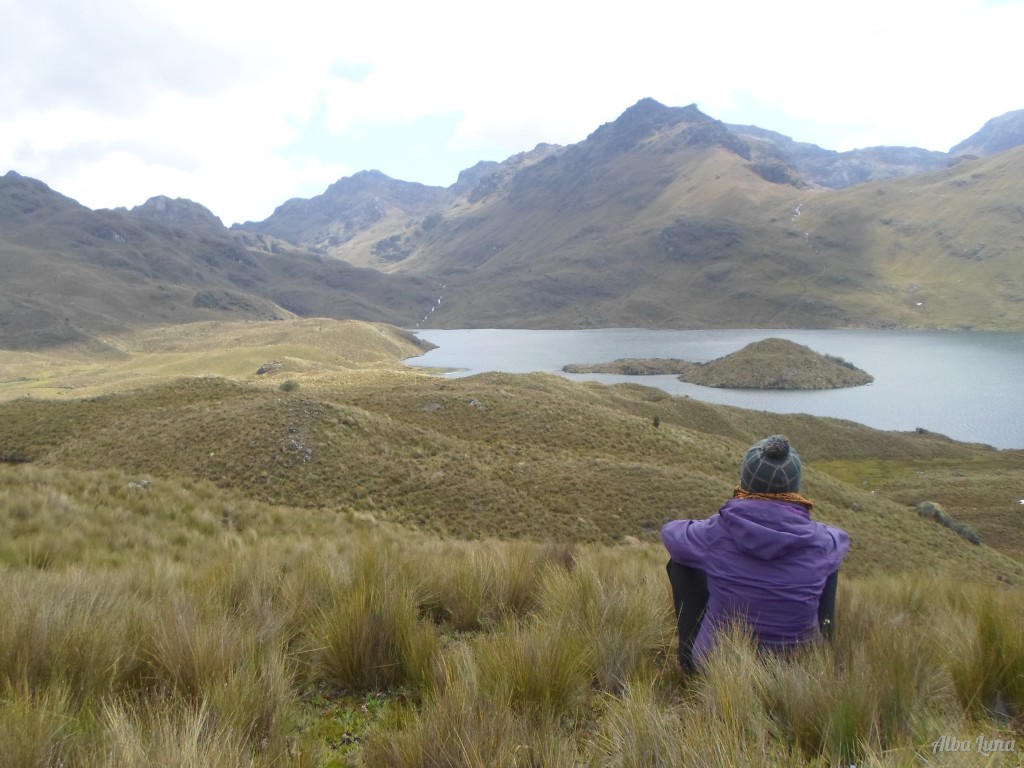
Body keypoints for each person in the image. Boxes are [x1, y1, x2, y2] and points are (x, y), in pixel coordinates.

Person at [662, 435, 850, 672]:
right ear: (795, 487)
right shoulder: (822, 541)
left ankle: (688, 664)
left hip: (720, 667)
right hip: (799, 672)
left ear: (745, 482)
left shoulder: (717, 533)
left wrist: (716, 523)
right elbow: (841, 539)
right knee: (829, 565)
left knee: (682, 563)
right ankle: (827, 641)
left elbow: (671, 533)